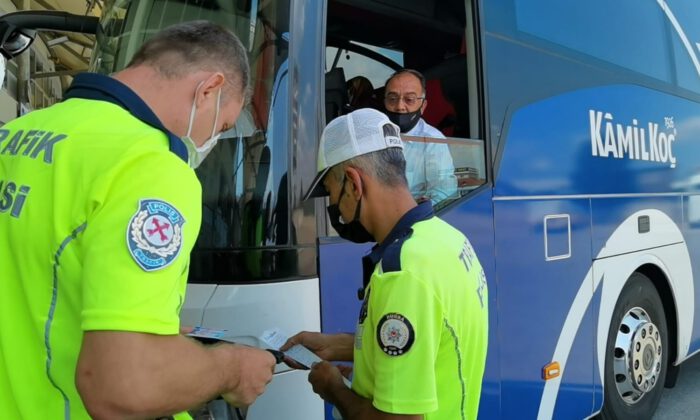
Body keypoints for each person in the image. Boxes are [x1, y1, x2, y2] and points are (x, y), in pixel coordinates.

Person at [0, 21, 276, 419]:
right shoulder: (149, 166)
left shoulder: (16, 134)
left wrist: (149, 337)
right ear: (209, 90)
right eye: (223, 125)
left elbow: (34, 284)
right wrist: (232, 368)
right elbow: (120, 387)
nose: (212, 141)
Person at [284, 108, 489, 419]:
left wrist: (333, 388)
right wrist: (338, 345)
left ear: (353, 183)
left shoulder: (402, 273)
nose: (335, 206)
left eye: (332, 193)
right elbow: (428, 343)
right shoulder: (448, 239)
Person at [383, 69, 458, 205]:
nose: (400, 106)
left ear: (423, 106)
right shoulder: (374, 135)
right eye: (392, 99)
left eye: (409, 99)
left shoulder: (433, 141)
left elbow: (444, 194)